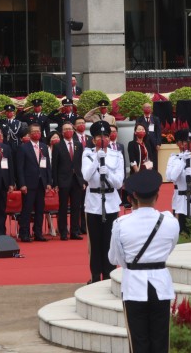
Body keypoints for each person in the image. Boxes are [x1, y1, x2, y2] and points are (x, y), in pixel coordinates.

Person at [108, 169, 179, 353]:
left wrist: (133, 265)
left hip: (133, 286)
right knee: (161, 341)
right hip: (160, 286)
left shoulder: (121, 224)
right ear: (157, 195)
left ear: (134, 196)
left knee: (138, 343)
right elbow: (170, 248)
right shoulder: (170, 222)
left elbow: (115, 258)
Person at [81, 121, 125, 283]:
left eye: (105, 136)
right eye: (99, 136)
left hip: (111, 201)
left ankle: (109, 274)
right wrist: (96, 161)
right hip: (93, 203)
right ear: (93, 140)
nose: (102, 139)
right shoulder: (87, 154)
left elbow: (119, 182)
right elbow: (86, 176)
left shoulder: (117, 155)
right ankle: (94, 275)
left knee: (110, 240)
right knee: (95, 242)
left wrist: (107, 174)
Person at [16, 123, 52, 243]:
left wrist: (48, 182)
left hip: (41, 183)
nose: (37, 133)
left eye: (39, 131)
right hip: (28, 184)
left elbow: (47, 166)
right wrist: (22, 184)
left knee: (40, 209)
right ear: (30, 134)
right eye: (34, 132)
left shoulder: (44, 147)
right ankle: (24, 233)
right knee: (26, 210)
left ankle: (38, 233)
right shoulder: (23, 147)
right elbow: (19, 168)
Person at [133, 102, 162, 172]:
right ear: (143, 109)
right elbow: (136, 130)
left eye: (149, 107)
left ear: (151, 109)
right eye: (146, 107)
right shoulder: (139, 119)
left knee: (153, 161)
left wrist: (158, 143)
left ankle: (154, 176)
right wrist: (136, 142)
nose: (147, 109)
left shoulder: (155, 119)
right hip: (143, 142)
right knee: (144, 160)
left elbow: (158, 131)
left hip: (153, 144)